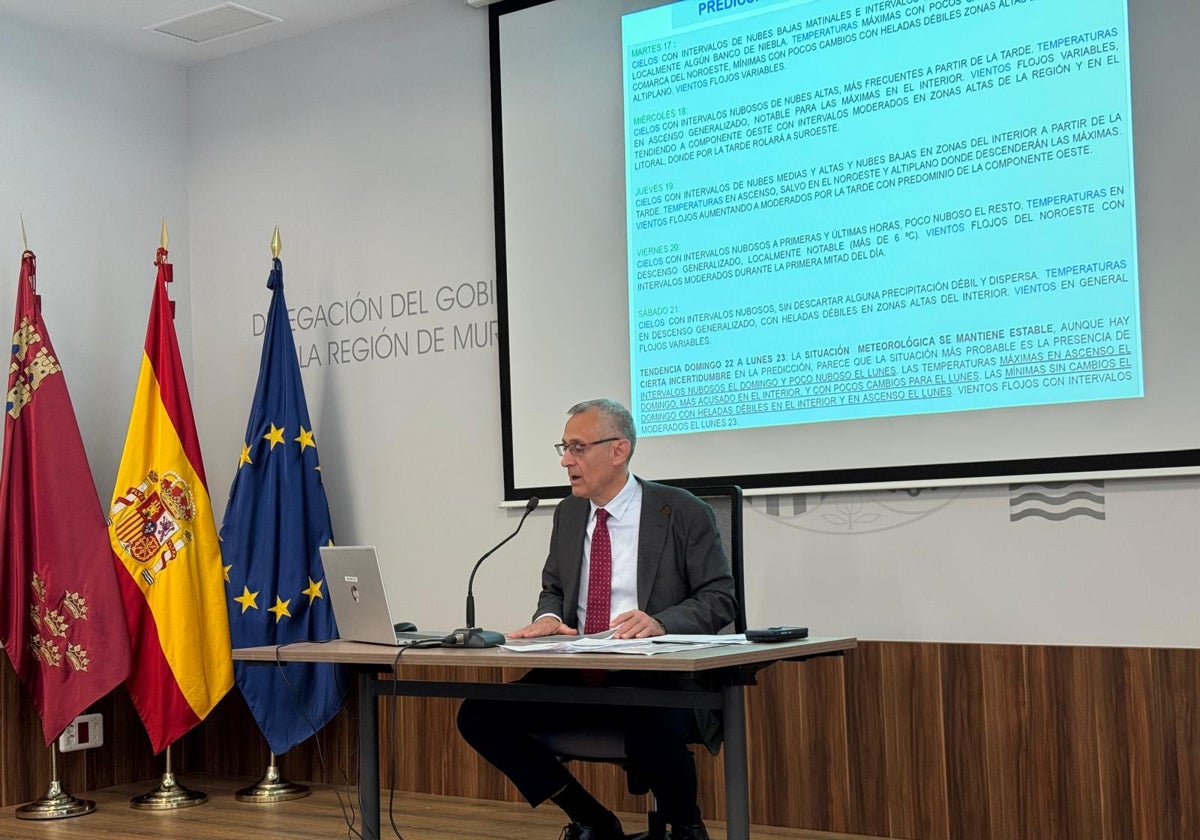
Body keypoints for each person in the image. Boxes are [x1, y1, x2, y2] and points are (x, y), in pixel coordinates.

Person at [457, 399, 737, 840]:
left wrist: (662, 621)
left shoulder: (681, 511)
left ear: (618, 450)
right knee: (478, 715)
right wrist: (549, 616)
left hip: (658, 676)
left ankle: (686, 826)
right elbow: (553, 588)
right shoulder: (569, 513)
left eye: (577, 447)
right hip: (580, 669)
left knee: (652, 722)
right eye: (564, 448)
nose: (566, 460)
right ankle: (592, 818)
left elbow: (721, 598)